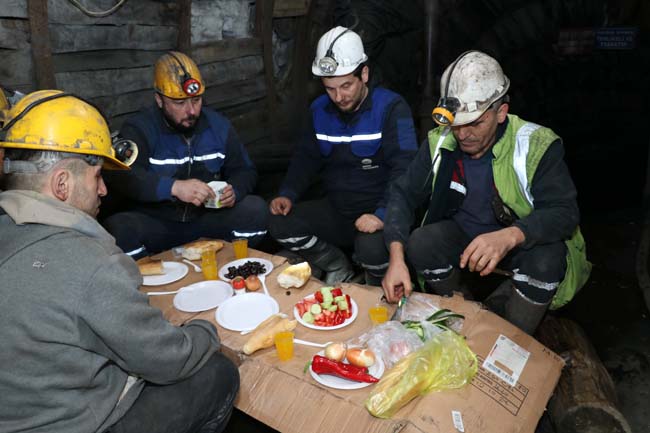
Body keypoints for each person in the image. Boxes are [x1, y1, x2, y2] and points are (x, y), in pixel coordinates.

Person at [0, 90, 239, 433]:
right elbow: (169, 359)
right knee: (217, 374)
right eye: (97, 176)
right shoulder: (90, 262)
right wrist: (206, 330)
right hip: (76, 424)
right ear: (62, 184)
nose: (103, 190)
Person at [382, 51, 591, 334]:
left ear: (501, 112)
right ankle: (463, 314)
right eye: (456, 124)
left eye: (475, 123)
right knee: (421, 242)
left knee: (547, 260)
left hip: (521, 243)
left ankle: (514, 337)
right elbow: (403, 193)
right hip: (466, 239)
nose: (463, 134)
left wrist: (510, 236)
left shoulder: (535, 144)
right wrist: (396, 259)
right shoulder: (440, 142)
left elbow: (564, 212)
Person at [268, 26, 418, 285]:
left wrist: (382, 214)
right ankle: (335, 263)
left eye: (346, 85)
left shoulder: (393, 108)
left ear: (364, 74)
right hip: (338, 211)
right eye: (330, 88)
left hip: (377, 213)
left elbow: (405, 171)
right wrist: (288, 193)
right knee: (277, 221)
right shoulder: (318, 110)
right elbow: (305, 158)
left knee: (371, 249)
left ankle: (374, 286)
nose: (339, 97)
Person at [102, 51, 267, 260]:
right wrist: (174, 187)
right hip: (159, 223)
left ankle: (227, 267)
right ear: (159, 100)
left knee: (255, 209)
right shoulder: (139, 129)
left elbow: (245, 170)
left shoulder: (218, 126)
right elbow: (125, 177)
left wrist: (235, 190)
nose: (191, 111)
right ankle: (155, 276)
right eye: (180, 103)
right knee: (118, 229)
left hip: (207, 219)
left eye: (196, 100)